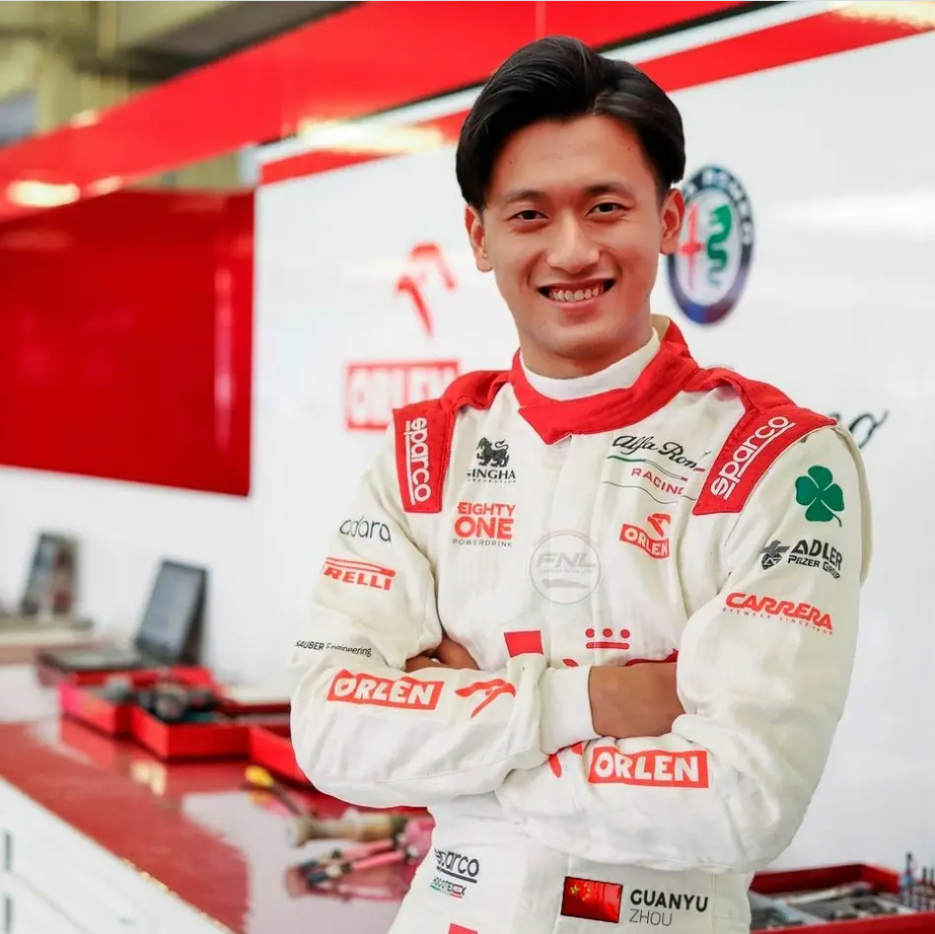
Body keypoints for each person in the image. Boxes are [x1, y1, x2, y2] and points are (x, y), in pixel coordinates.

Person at [288, 36, 872, 934]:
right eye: (529, 215)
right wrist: (592, 702)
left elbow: (744, 796)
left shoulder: (780, 459)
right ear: (479, 237)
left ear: (668, 220)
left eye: (605, 207)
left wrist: (464, 753)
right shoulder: (425, 452)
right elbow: (332, 733)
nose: (571, 250)